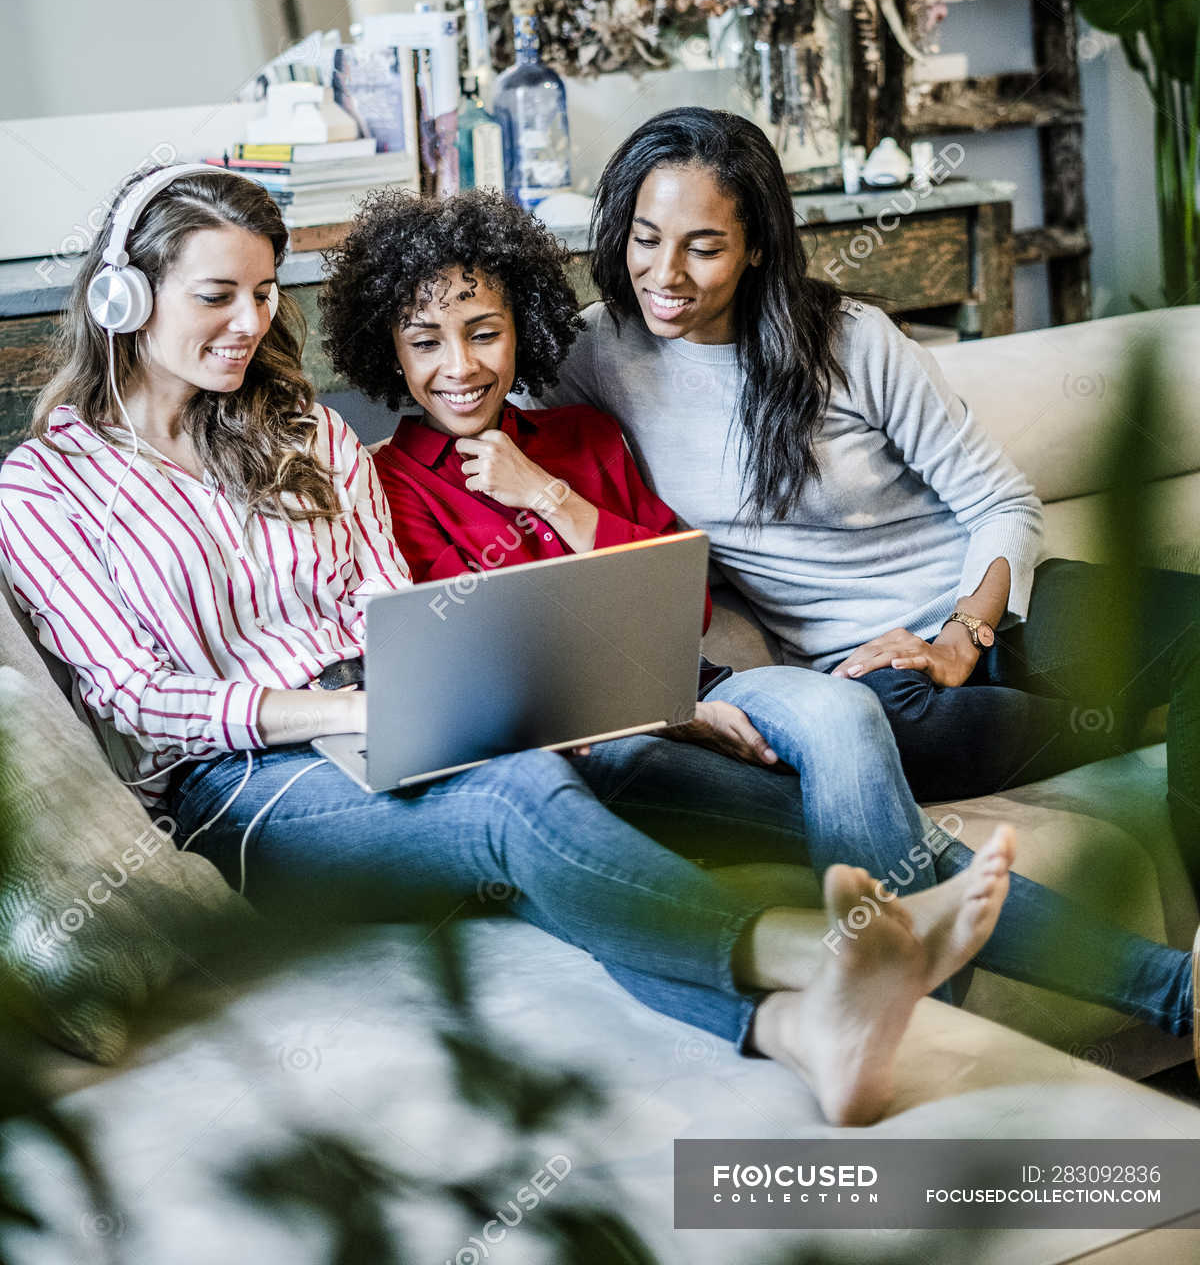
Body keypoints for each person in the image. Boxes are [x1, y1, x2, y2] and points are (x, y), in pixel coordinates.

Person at [0, 162, 1019, 1129]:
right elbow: (138, 697)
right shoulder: (44, 488)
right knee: (519, 797)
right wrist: (350, 711)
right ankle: (813, 955)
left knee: (752, 798)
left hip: (403, 710)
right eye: (217, 295)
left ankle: (833, 1013)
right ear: (124, 299)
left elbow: (396, 604)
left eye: (265, 294)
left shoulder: (305, 432)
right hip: (245, 788)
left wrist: (569, 693)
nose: (250, 324)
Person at [320, 186, 1198, 1061]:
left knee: (846, 712)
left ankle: (928, 1006)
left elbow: (685, 593)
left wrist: (546, 495)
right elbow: (478, 655)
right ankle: (1140, 998)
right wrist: (666, 704)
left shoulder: (583, 436)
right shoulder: (389, 486)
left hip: (710, 682)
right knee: (905, 848)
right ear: (389, 355)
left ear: (522, 331)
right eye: (425, 341)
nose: (461, 366)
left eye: (484, 331)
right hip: (601, 734)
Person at [535, 107, 1200, 885]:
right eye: (646, 239)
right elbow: (474, 392)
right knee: (877, 735)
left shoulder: (852, 341)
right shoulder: (596, 352)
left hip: (1003, 620)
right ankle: (1116, 719)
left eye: (704, 247)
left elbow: (1002, 503)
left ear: (755, 248)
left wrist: (960, 639)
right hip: (875, 677)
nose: (665, 274)